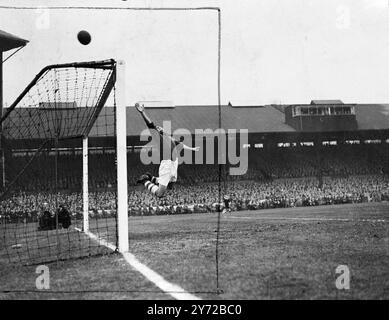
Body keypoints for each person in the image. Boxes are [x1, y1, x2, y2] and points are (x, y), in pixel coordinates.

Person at [135, 103, 200, 198]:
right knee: (160, 194)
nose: (159, 127)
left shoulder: (169, 138)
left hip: (174, 163)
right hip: (167, 164)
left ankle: (151, 177)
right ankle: (145, 180)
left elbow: (180, 144)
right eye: (158, 128)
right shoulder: (159, 138)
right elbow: (150, 125)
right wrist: (142, 112)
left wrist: (192, 149)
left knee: (170, 185)